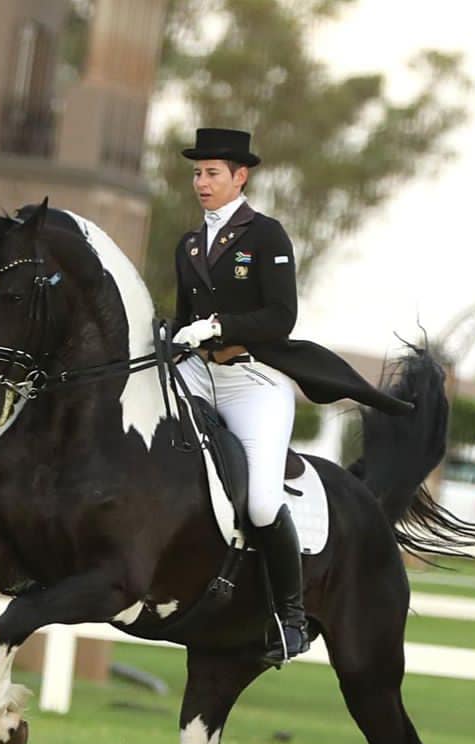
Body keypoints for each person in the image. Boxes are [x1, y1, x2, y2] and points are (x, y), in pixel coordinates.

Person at [170, 127, 311, 664]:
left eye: (211, 173)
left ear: (239, 176)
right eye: (197, 173)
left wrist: (220, 326)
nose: (200, 183)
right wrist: (177, 335)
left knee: (260, 500)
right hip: (197, 374)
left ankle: (290, 616)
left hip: (252, 380)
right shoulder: (187, 245)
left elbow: (281, 316)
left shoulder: (268, 235)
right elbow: (185, 317)